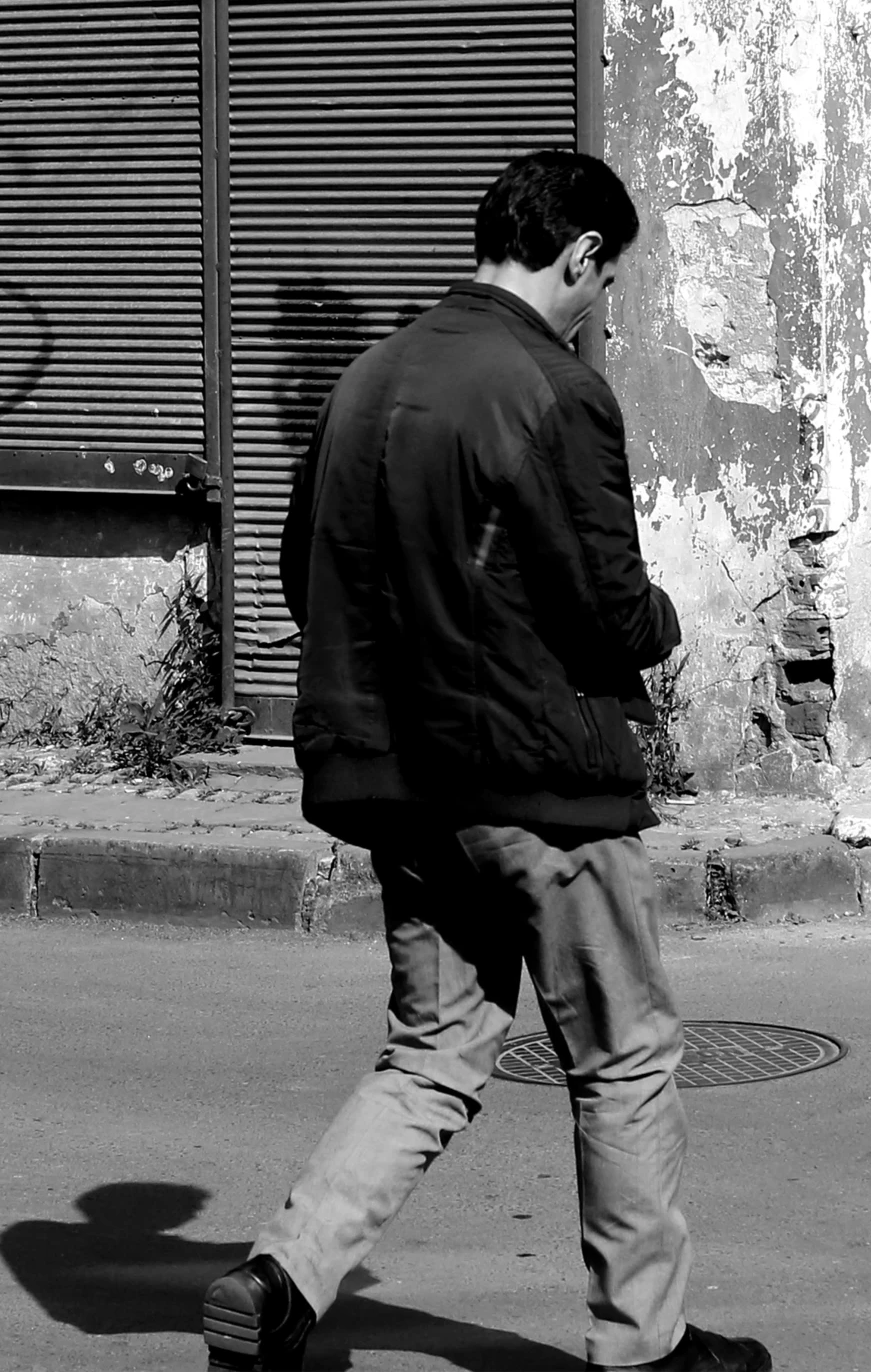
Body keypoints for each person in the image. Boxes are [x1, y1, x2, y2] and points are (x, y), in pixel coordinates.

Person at [201, 153, 770, 1372]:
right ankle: (645, 1345)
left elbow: (309, 574)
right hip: (536, 785)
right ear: (577, 258)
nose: (603, 306)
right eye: (606, 281)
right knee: (623, 1055)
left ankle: (280, 1277)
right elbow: (610, 610)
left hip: (397, 784)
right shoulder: (553, 389)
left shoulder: (363, 380)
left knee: (435, 1050)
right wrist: (664, 623)